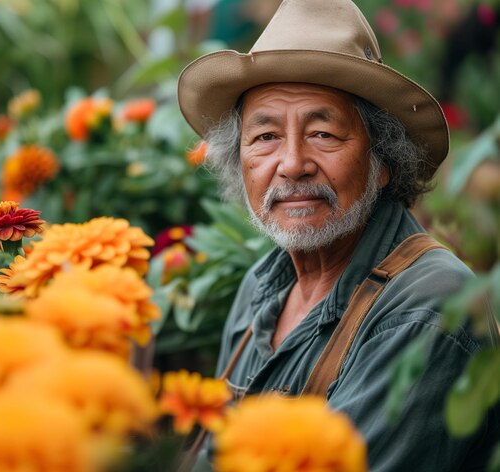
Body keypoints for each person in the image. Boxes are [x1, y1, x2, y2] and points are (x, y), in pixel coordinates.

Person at [176, 0, 500, 470]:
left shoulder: (426, 311)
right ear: (239, 160)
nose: (291, 163)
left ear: (383, 160)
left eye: (324, 133)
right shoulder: (261, 289)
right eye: (265, 137)